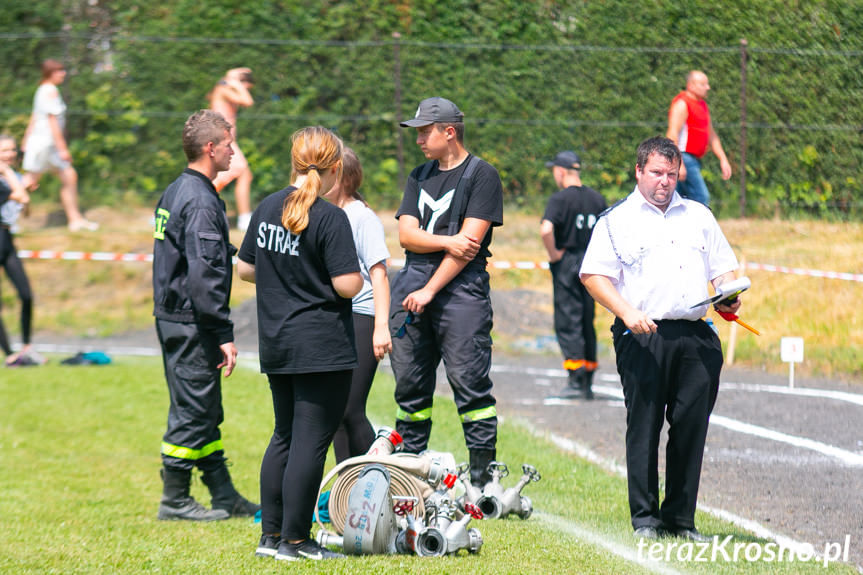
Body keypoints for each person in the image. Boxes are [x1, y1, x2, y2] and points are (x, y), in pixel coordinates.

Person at [580, 136, 741, 541]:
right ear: (638, 172)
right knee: (645, 425)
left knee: (691, 427)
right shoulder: (615, 220)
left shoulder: (700, 216)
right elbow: (593, 276)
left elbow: (723, 271)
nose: (665, 182)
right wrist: (626, 312)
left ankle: (681, 520)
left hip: (696, 335)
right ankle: (646, 519)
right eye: (656, 173)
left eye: (672, 174)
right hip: (642, 332)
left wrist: (729, 295)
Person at [237, 126, 361, 561]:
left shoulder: (268, 206)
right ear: (335, 169)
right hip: (321, 347)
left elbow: (245, 270)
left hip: (277, 342)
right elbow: (347, 285)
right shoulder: (331, 216)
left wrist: (282, 268)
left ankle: (271, 537)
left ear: (293, 161)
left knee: (284, 437)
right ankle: (295, 540)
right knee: (311, 443)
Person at [152, 109, 259, 522]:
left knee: (205, 408)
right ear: (210, 148)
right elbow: (205, 272)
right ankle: (175, 498)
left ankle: (223, 494)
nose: (235, 152)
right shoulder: (199, 198)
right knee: (193, 410)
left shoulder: (178, 189)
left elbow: (196, 255)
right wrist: (222, 330)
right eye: (230, 144)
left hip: (175, 316)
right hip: (192, 321)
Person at [391, 97, 504, 487]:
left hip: (461, 290)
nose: (419, 139)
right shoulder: (419, 174)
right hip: (411, 280)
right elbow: (406, 235)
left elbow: (468, 248)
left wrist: (429, 289)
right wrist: (446, 241)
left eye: (425, 131)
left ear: (449, 132)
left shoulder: (482, 175)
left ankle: (482, 481)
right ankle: (409, 474)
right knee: (409, 385)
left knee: (469, 383)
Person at [324, 147, 393, 462]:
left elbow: (379, 275)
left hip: (362, 318)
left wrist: (381, 327)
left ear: (339, 176)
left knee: (351, 407)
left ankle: (376, 483)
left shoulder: (362, 217)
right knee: (335, 411)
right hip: (336, 319)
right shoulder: (327, 214)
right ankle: (346, 491)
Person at [540, 150, 607, 399]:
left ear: (560, 171)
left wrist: (555, 254)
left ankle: (575, 377)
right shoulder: (597, 199)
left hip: (568, 260)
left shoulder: (559, 200)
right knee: (587, 318)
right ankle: (588, 376)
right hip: (591, 262)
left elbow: (546, 229)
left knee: (569, 319)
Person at [21, 59, 98, 231]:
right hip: (46, 145)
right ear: (50, 73)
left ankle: (75, 220)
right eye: (59, 71)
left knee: (68, 176)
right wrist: (63, 148)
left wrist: (26, 138)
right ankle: (6, 215)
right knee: (29, 181)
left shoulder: (42, 89)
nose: (63, 74)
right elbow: (52, 121)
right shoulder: (50, 91)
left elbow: (35, 116)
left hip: (42, 143)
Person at [666, 70, 732, 207]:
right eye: (703, 84)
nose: (708, 87)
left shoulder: (702, 105)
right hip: (685, 157)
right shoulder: (682, 104)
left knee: (677, 200)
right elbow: (672, 134)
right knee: (701, 198)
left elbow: (711, 135)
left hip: (694, 160)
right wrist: (678, 163)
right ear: (691, 85)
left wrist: (723, 159)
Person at [0, 135, 36, 367]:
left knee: (26, 295)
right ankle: (9, 353)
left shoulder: (11, 179)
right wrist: (12, 176)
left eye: (12, 150)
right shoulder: (6, 179)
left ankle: (26, 346)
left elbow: (25, 208)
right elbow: (21, 196)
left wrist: (20, 183)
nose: (10, 154)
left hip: (7, 238)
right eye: (4, 150)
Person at [208, 67, 255, 231]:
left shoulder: (226, 89)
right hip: (221, 139)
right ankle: (244, 219)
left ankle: (244, 218)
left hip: (226, 140)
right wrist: (235, 81)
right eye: (246, 86)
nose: (246, 90)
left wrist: (233, 76)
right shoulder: (223, 89)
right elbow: (248, 101)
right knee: (214, 180)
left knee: (241, 175)